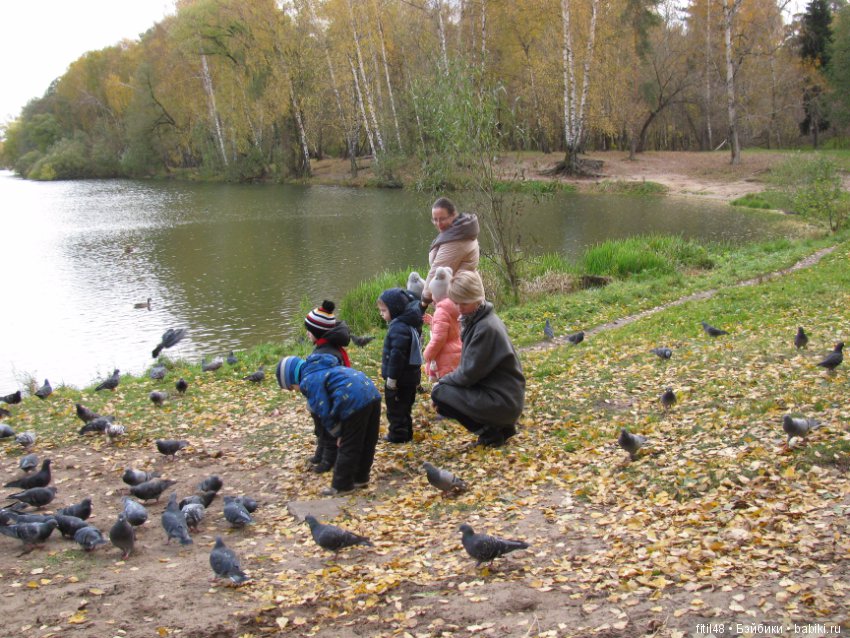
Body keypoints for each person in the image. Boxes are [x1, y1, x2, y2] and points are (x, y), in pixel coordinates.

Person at [431, 271, 525, 448]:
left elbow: (467, 374)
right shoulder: (480, 320)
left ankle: (491, 434)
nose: (459, 308)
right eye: (456, 302)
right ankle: (501, 428)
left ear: (477, 298)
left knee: (440, 394)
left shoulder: (484, 328)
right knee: (445, 396)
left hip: (503, 401)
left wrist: (441, 383)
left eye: (464, 303)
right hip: (506, 398)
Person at [277, 354, 381, 496]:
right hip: (371, 392)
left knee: (349, 444)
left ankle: (342, 485)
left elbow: (323, 410)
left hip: (353, 400)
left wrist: (338, 433)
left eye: (291, 388)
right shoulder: (323, 368)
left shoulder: (309, 381)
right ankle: (361, 477)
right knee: (368, 440)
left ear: (292, 379)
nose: (294, 391)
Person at [304, 301, 351, 474]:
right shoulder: (327, 347)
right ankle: (321, 452)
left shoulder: (325, 352)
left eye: (309, 330)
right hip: (328, 393)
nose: (307, 334)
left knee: (327, 428)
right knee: (321, 427)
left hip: (331, 396)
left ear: (318, 332)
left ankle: (328, 460)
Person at [378, 288, 424, 443]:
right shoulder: (410, 322)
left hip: (399, 379)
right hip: (410, 377)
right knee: (405, 406)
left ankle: (397, 434)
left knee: (395, 408)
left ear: (395, 309)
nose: (381, 314)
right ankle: (406, 432)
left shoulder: (398, 328)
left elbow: (397, 356)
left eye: (384, 310)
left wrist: (392, 378)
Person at [421, 197, 480, 308]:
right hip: (466, 295)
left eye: (442, 219)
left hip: (460, 301)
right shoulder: (461, 230)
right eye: (435, 219)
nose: (438, 223)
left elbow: (436, 270)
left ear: (453, 215)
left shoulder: (456, 240)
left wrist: (423, 304)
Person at [423, 266, 462, 381]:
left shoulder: (441, 311)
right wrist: (432, 321)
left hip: (445, 356)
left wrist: (428, 354)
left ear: (439, 294)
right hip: (456, 351)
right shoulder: (454, 306)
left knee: (445, 389)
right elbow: (449, 328)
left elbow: (439, 338)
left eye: (433, 294)